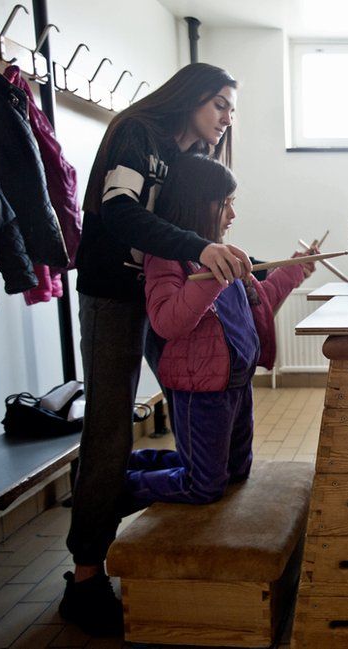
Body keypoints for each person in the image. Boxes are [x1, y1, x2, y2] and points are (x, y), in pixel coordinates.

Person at [62, 63, 251, 636]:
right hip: (116, 297)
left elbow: (189, 219)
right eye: (219, 104)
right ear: (191, 96)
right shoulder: (139, 133)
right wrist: (199, 248)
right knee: (112, 427)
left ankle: (166, 482)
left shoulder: (182, 156)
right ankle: (86, 575)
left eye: (231, 110)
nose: (225, 119)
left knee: (192, 388)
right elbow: (120, 214)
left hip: (157, 290)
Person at [125, 154, 260, 508]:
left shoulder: (221, 251)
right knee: (204, 486)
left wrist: (293, 272)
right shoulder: (167, 255)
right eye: (225, 204)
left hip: (235, 382)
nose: (232, 215)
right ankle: (118, 484)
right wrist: (211, 276)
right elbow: (167, 322)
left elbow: (250, 309)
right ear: (198, 203)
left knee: (238, 471)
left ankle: (138, 463)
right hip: (199, 387)